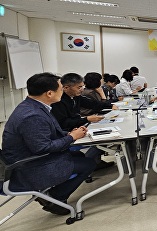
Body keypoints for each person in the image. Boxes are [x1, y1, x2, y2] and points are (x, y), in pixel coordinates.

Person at [2, 73, 95, 215]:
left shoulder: (33, 106)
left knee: (79, 156)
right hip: (28, 167)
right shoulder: (32, 115)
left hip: (30, 158)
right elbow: (42, 148)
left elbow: (46, 134)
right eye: (60, 89)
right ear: (50, 93)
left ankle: (56, 193)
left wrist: (69, 134)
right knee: (89, 164)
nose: (62, 91)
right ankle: (56, 197)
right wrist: (71, 138)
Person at [51, 73, 116, 169]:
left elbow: (92, 103)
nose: (82, 89)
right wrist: (86, 119)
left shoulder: (76, 96)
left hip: (79, 127)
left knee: (107, 135)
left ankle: (95, 162)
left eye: (82, 86)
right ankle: (90, 163)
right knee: (101, 140)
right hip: (68, 133)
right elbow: (63, 123)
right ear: (66, 88)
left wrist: (110, 106)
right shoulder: (58, 101)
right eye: (79, 87)